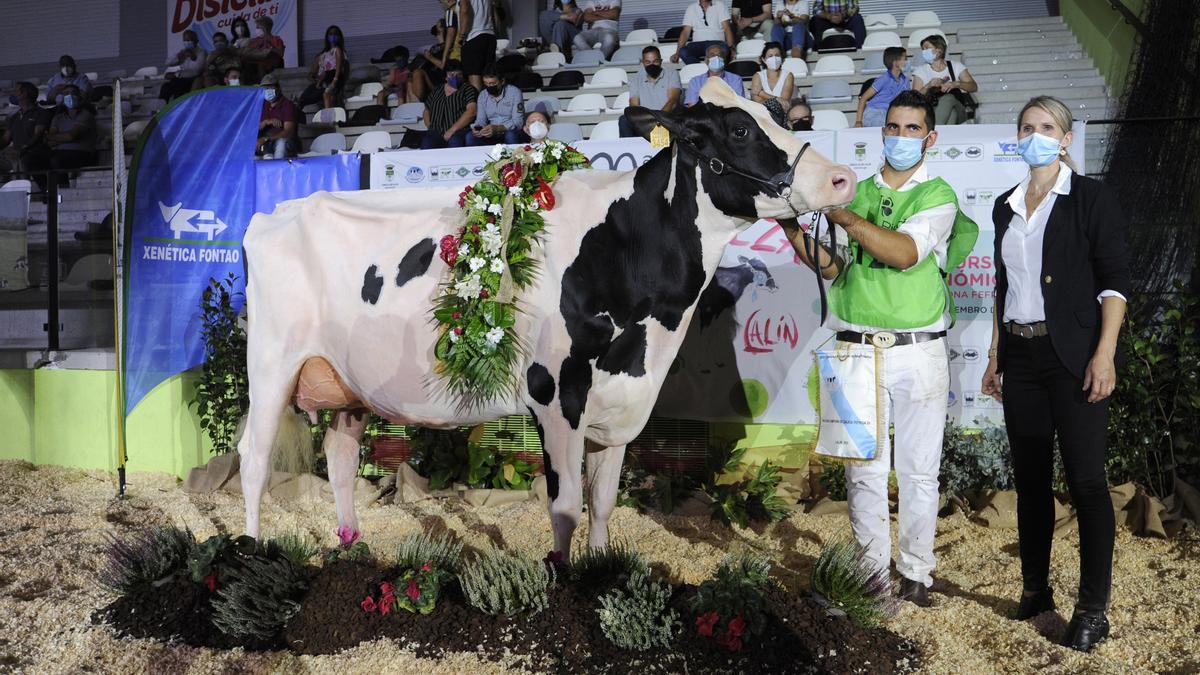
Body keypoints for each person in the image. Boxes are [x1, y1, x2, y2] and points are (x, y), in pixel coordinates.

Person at [784, 90, 972, 608]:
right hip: (855, 347)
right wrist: (789, 226)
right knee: (862, 472)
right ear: (881, 132)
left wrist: (841, 216)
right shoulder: (855, 190)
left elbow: (905, 253)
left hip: (919, 351)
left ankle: (916, 572)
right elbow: (833, 267)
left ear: (929, 138)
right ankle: (872, 579)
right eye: (893, 127)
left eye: (913, 129)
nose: (902, 137)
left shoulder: (938, 195)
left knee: (918, 471)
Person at [981, 95, 1130, 653]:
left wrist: (1104, 353)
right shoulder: (1005, 205)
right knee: (1032, 483)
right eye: (1027, 126)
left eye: (1047, 127)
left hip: (1075, 358)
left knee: (1088, 483)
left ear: (1066, 139)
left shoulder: (1091, 198)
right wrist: (996, 355)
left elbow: (1114, 282)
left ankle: (1092, 609)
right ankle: (1035, 591)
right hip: (1021, 359)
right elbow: (1003, 287)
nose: (1035, 134)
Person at [912, 34, 978, 126]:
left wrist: (956, 84)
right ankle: (942, 136)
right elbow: (914, 98)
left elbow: (973, 87)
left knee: (948, 98)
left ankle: (935, 131)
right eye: (923, 49)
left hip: (959, 109)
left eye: (926, 48)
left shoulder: (956, 66)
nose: (924, 52)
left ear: (939, 50)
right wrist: (928, 85)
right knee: (952, 115)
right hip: (931, 110)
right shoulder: (920, 70)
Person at [618, 45, 682, 137]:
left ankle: (660, 149)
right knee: (624, 120)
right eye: (648, 62)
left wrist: (658, 121)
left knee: (660, 135)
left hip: (665, 119)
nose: (651, 65)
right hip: (645, 122)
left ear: (661, 61)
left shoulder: (672, 74)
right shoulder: (636, 78)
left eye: (655, 61)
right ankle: (631, 150)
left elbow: (673, 101)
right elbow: (634, 105)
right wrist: (645, 123)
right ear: (643, 62)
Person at [0, 82, 51, 190]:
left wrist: (23, 148)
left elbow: (38, 134)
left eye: (18, 90)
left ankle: (37, 190)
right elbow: (5, 139)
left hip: (35, 151)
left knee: (24, 160)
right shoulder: (13, 117)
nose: (15, 93)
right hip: (16, 152)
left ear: (25, 93)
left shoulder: (41, 113)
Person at [421, 60, 478, 149]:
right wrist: (430, 127)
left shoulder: (468, 89)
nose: (455, 78)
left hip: (459, 131)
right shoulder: (436, 91)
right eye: (451, 75)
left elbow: (472, 111)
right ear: (446, 77)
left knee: (455, 141)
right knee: (427, 143)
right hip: (436, 131)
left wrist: (452, 130)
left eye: (458, 75)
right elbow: (426, 111)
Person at [467, 65, 525, 146]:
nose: (489, 86)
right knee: (470, 137)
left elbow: (518, 122)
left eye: (492, 83)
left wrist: (498, 128)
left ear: (502, 81)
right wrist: (478, 129)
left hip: (510, 131)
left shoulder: (514, 92)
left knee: (510, 135)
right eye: (486, 83)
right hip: (491, 134)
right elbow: (481, 119)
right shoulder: (483, 95)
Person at [46, 85, 97, 174]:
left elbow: (70, 136)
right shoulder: (58, 118)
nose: (70, 96)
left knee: (56, 160)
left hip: (81, 153)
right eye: (66, 93)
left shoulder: (85, 114)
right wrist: (61, 137)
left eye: (73, 93)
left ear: (79, 96)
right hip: (59, 152)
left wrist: (55, 137)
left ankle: (62, 186)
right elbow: (49, 141)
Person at [856, 47, 909, 128]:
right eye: (905, 59)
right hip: (875, 113)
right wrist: (858, 122)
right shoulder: (884, 79)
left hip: (892, 113)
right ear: (895, 63)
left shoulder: (905, 80)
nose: (907, 62)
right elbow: (863, 98)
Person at [671, 0, 735, 66]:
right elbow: (685, 32)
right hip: (697, 44)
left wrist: (731, 48)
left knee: (724, 49)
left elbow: (727, 28)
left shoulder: (720, 5)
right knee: (683, 52)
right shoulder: (691, 8)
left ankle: (711, 70)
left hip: (716, 43)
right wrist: (677, 52)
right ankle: (700, 69)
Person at [298, 26, 347, 109]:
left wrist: (334, 82)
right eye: (331, 34)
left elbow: (339, 68)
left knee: (325, 86)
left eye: (335, 34)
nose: (333, 36)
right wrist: (316, 79)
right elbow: (312, 72)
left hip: (332, 77)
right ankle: (300, 102)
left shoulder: (338, 50)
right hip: (322, 81)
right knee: (307, 93)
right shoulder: (322, 55)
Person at [257, 74, 298, 159]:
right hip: (264, 143)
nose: (267, 91)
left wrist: (267, 139)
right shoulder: (262, 106)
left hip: (283, 142)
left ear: (278, 88)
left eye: (270, 88)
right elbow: (253, 129)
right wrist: (266, 122)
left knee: (281, 144)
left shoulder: (287, 105)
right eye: (265, 89)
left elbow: (288, 132)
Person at [461, 0, 497, 93]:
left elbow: (464, 11)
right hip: (490, 35)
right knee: (489, 75)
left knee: (474, 76)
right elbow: (494, 14)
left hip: (474, 36)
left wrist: (462, 34)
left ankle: (477, 105)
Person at [160, 31, 206, 101]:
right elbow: (167, 62)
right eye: (185, 40)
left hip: (193, 79)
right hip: (181, 79)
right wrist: (178, 57)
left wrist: (176, 74)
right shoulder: (183, 52)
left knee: (177, 86)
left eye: (190, 40)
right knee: (165, 87)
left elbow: (197, 71)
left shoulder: (201, 52)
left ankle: (177, 109)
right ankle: (161, 109)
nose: (187, 42)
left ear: (196, 41)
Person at [240, 15, 286, 83]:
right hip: (254, 65)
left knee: (262, 64)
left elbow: (280, 53)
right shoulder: (255, 41)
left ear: (265, 27)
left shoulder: (276, 40)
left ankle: (264, 86)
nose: (257, 29)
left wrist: (268, 48)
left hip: (271, 65)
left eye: (258, 27)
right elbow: (246, 52)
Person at [750, 41, 794, 110]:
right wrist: (777, 99)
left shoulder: (788, 75)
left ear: (781, 57)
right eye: (770, 56)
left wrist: (762, 93)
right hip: (763, 114)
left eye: (777, 55)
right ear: (763, 59)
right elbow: (758, 102)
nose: (774, 58)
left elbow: (784, 102)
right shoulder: (758, 76)